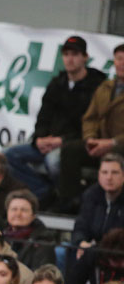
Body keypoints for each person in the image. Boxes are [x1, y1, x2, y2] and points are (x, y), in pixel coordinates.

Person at [5, 36, 105, 201]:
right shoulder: (56, 84)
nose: (69, 59)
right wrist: (39, 139)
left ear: (85, 57)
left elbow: (92, 124)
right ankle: (44, 190)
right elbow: (43, 116)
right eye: (66, 54)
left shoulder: (97, 87)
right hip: (49, 142)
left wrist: (62, 140)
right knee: (8, 155)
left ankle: (66, 199)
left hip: (74, 144)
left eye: (74, 54)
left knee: (54, 161)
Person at [57, 44, 124, 212]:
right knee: (70, 150)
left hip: (120, 146)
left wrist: (112, 143)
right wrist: (90, 139)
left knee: (113, 159)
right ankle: (71, 203)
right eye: (119, 59)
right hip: (99, 144)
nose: (122, 63)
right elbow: (89, 118)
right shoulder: (105, 87)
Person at [68, 153, 124, 284]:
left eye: (114, 172)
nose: (109, 177)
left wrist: (94, 247)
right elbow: (81, 224)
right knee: (67, 251)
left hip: (117, 252)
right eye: (105, 172)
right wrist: (82, 242)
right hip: (93, 250)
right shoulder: (91, 195)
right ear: (99, 175)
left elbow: (119, 236)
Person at [3, 188, 56, 270]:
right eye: (14, 209)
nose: (18, 214)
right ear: (7, 212)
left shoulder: (43, 241)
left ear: (33, 215)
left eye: (24, 210)